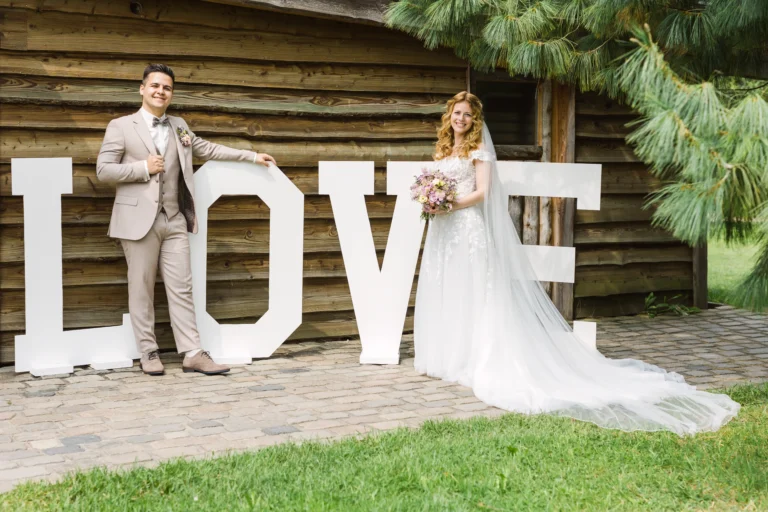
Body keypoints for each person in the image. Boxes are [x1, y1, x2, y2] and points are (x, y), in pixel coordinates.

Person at [413, 91, 740, 434]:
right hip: (444, 232)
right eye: (456, 113)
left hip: (467, 229)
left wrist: (450, 205)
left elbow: (482, 192)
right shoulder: (443, 149)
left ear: (475, 120)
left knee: (475, 290)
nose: (460, 119)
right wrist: (432, 199)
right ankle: (449, 355)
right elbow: (440, 185)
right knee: (449, 289)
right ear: (449, 116)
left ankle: (474, 357)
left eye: (466, 114)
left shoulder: (478, 151)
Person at [96, 64, 276, 376]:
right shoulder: (121, 126)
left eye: (166, 88)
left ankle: (193, 353)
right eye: (154, 86)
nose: (160, 91)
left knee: (181, 287)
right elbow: (104, 170)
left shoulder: (179, 125)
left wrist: (251, 155)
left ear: (171, 94)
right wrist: (142, 168)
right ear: (142, 89)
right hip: (138, 221)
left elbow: (206, 148)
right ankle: (148, 351)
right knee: (141, 289)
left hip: (175, 219)